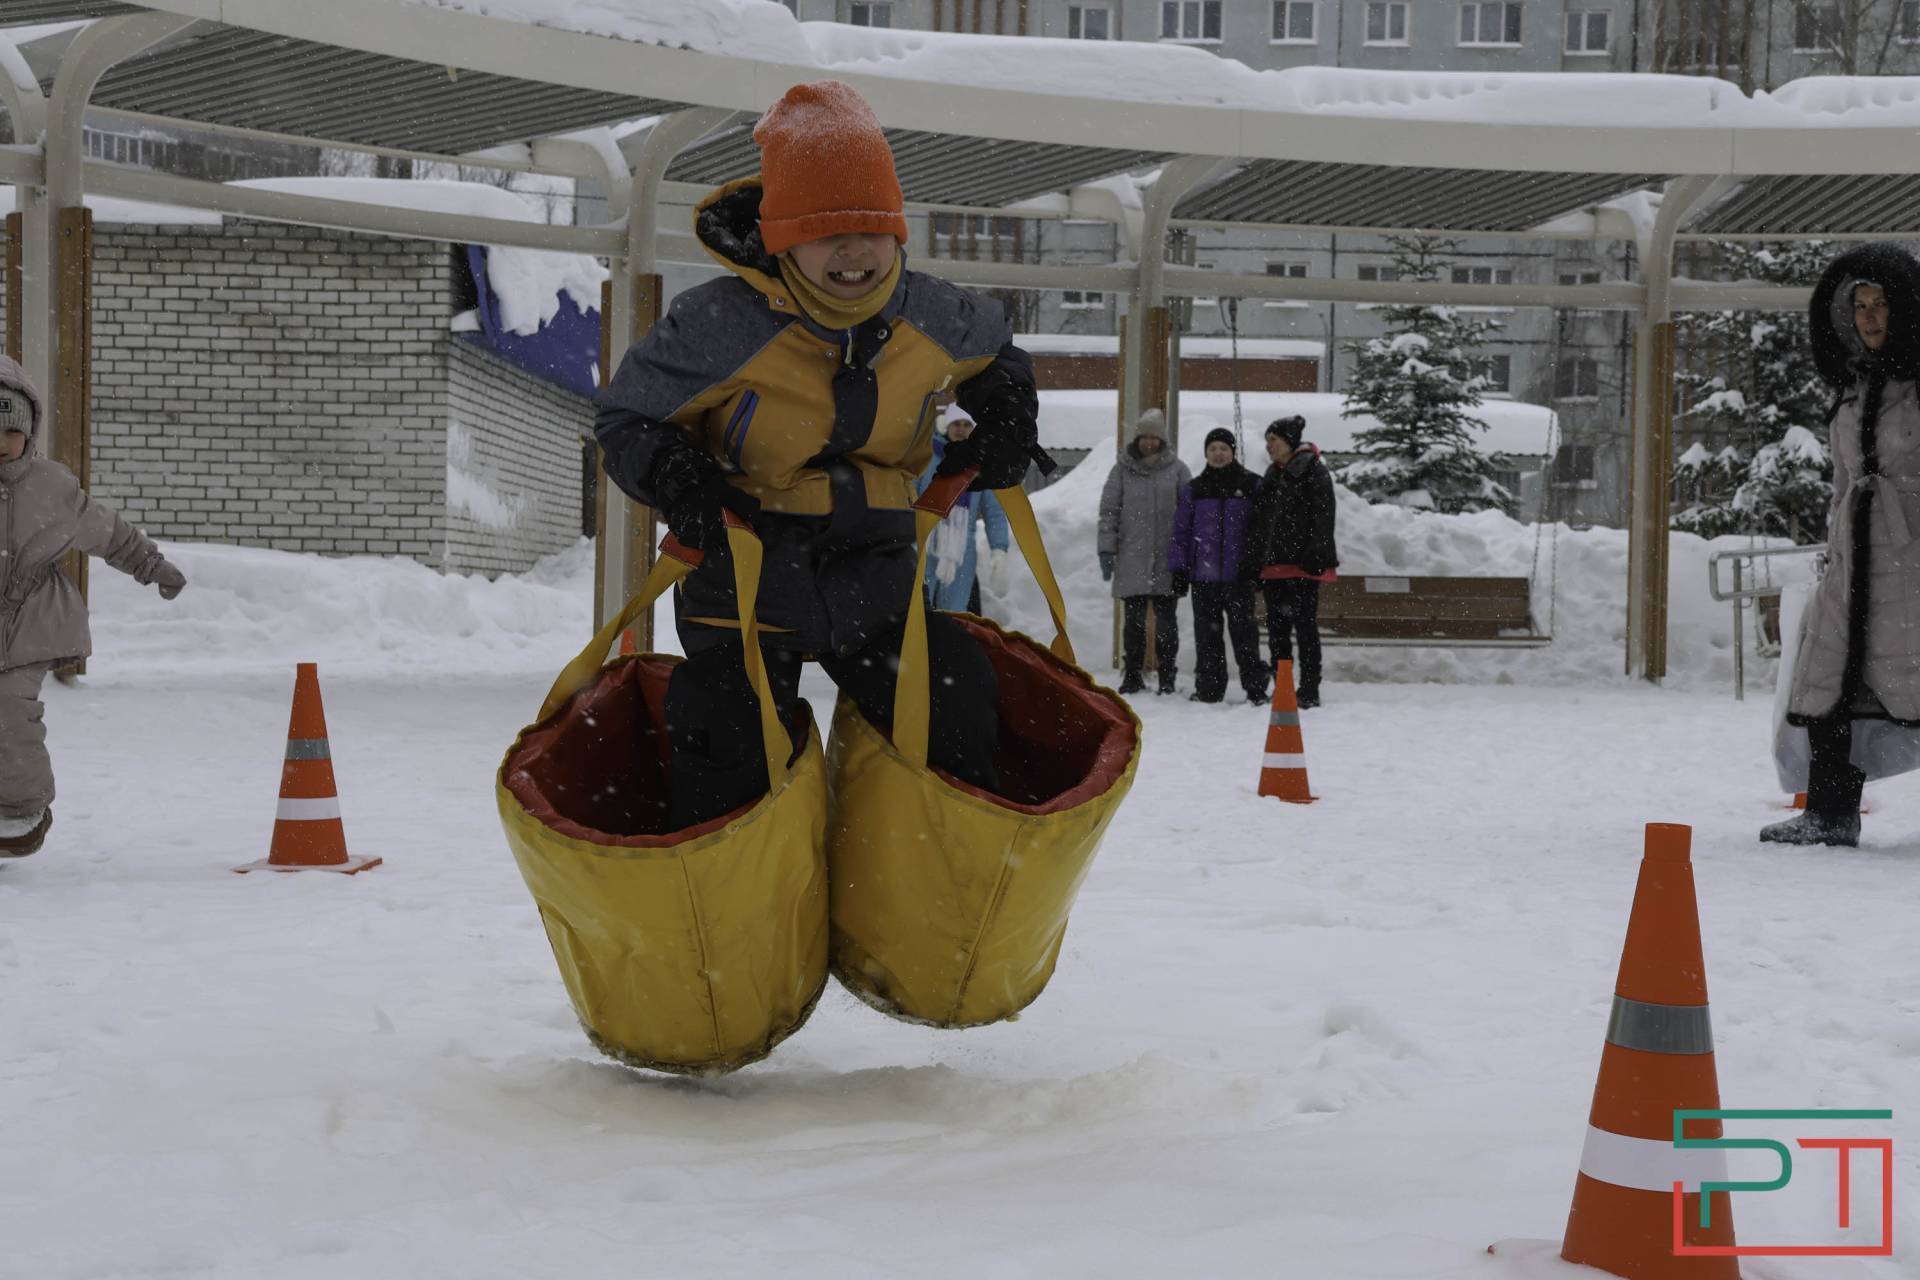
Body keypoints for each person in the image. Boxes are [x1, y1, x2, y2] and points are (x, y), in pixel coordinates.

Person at [594, 81, 1039, 830]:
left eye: (872, 229)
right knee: (726, 735)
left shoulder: (935, 314)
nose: (854, 250)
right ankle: (742, 928)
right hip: (746, 581)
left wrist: (1006, 412)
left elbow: (999, 358)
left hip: (876, 582)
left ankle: (921, 914)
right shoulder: (718, 325)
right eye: (826, 230)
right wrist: (678, 475)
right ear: (781, 238)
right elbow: (627, 418)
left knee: (955, 694)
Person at [0, 356, 187, 858]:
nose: (0, 442)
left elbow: (107, 531)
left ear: (29, 429)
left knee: (11, 715)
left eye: (10, 431)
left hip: (28, 622)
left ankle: (19, 813)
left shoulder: (50, 487)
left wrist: (150, 564)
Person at [1767, 243, 1920, 848]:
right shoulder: (1852, 390)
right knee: (1829, 681)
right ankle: (1829, 813)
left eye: (1882, 304)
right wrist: (1836, 549)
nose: (1870, 316)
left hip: (1913, 565)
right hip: (1854, 561)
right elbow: (1843, 482)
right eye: (1860, 305)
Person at [1243, 416, 1339, 709]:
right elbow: (1262, 524)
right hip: (1274, 566)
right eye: (1268, 441)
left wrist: (1315, 554)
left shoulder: (1312, 470)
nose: (1269, 446)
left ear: (1289, 441)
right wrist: (1257, 561)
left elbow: (1324, 517)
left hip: (1302, 565)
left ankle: (1310, 688)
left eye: (1274, 440)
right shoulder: (1273, 474)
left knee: (1305, 629)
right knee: (1277, 631)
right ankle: (1283, 685)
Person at [1168, 427, 1266, 705]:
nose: (1218, 454)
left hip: (1239, 576)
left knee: (1244, 635)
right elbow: (1181, 531)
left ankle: (1255, 689)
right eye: (1213, 449)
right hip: (1204, 577)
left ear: (1232, 452)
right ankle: (1210, 689)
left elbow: (1261, 531)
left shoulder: (1251, 485)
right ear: (1206, 454)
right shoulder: (1195, 489)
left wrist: (1255, 566)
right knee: (1207, 637)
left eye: (1223, 448)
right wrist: (1179, 569)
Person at [1097, 408, 1190, 695]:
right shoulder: (1121, 470)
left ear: (1161, 439)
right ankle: (1133, 674)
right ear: (1137, 438)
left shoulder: (1178, 470)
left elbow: (1188, 514)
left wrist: (1185, 555)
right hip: (1132, 557)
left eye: (1154, 437)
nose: (1149, 442)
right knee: (1134, 623)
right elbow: (1109, 512)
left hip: (1167, 560)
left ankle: (1167, 675)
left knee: (1166, 624)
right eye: (1144, 437)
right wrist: (1107, 549)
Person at [918, 407, 1011, 615]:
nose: (961, 429)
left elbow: (994, 512)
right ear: (945, 425)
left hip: (962, 554)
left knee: (955, 615)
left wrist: (999, 551)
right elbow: (907, 496)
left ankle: (946, 647)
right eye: (956, 424)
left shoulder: (979, 467)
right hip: (925, 545)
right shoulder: (926, 456)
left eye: (966, 424)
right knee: (917, 610)